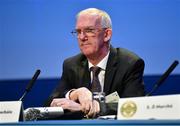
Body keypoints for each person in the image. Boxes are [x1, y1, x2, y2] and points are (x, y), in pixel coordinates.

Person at [45, 8, 145, 118]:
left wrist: (88, 108)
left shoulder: (129, 63)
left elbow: (133, 105)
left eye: (89, 30)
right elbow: (51, 102)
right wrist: (75, 93)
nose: (82, 37)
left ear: (106, 34)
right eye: (78, 32)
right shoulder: (72, 64)